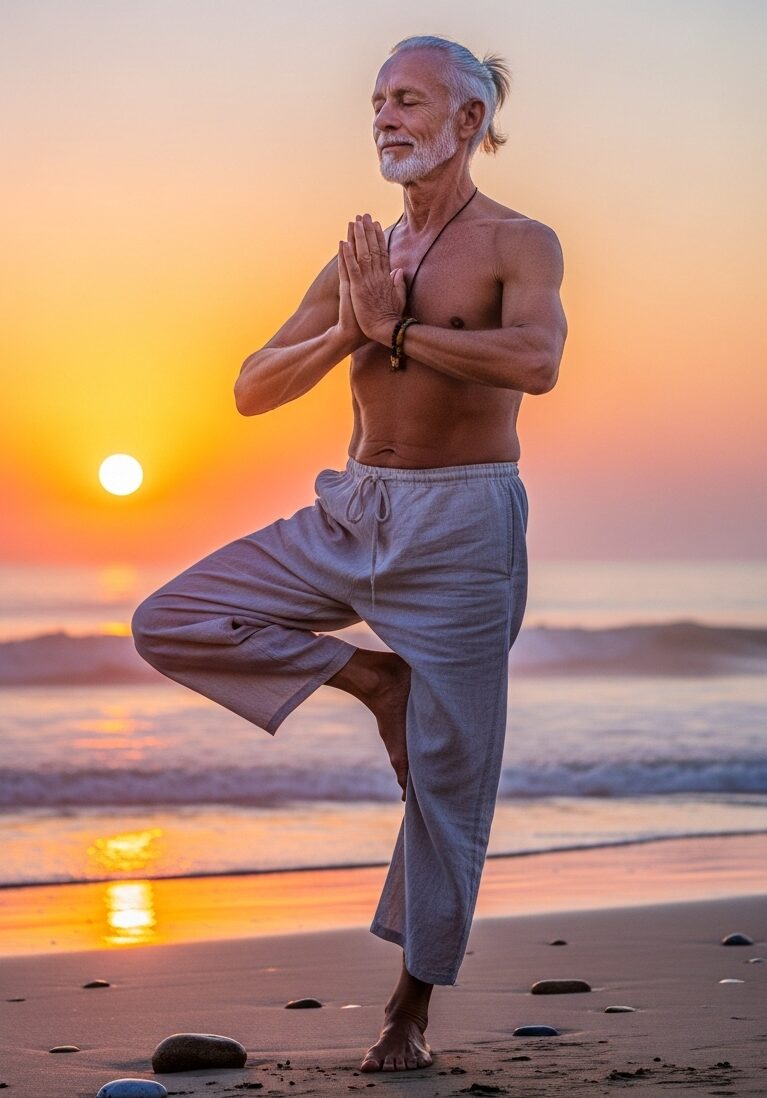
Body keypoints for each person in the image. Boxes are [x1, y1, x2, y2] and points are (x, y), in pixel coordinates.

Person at [131, 33, 567, 1074]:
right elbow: (251, 387)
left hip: (462, 526)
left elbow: (536, 359)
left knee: (445, 785)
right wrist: (349, 329)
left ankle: (407, 1009)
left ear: (468, 120)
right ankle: (372, 681)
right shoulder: (360, 258)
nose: (383, 117)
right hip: (352, 509)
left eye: (407, 98)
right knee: (170, 618)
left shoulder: (517, 242)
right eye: (376, 100)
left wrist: (402, 335)